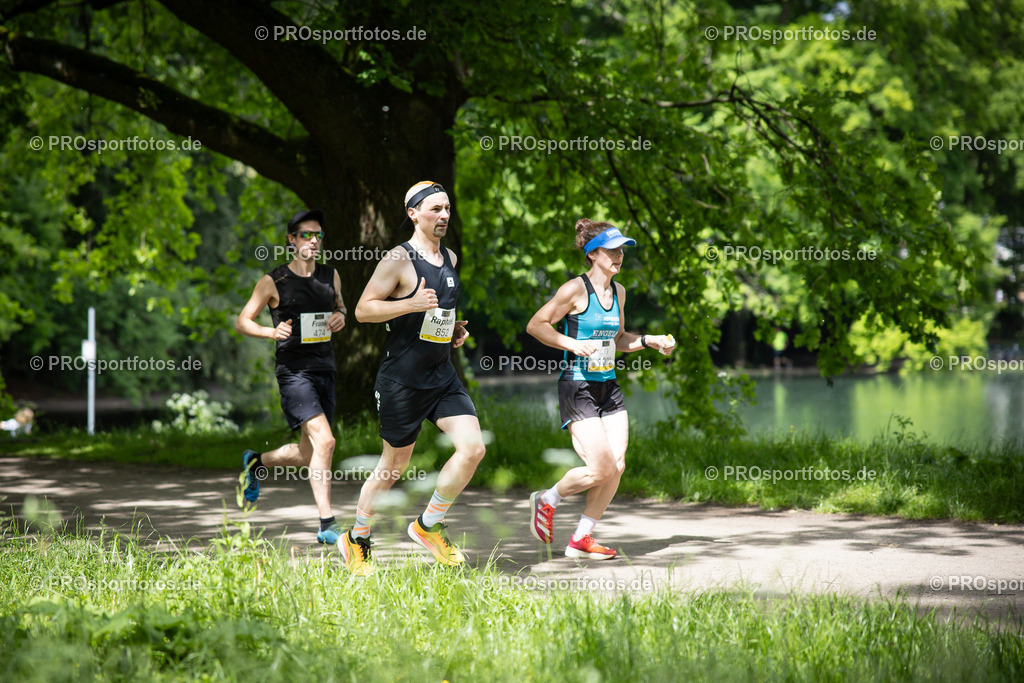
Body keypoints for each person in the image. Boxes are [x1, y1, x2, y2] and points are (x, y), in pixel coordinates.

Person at [341, 181, 485, 575]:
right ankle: (356, 538)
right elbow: (363, 310)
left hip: (442, 377)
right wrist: (409, 304)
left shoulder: (450, 257)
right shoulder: (397, 260)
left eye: (447, 209)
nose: (443, 216)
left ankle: (428, 525)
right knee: (393, 466)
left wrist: (454, 330)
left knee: (472, 448)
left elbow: (439, 314)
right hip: (401, 380)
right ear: (413, 213)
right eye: (435, 209)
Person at [526, 219, 674, 559]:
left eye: (622, 250)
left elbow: (618, 339)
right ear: (593, 254)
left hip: (608, 386)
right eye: (612, 250)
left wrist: (649, 341)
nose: (619, 256)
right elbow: (536, 325)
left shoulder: (619, 292)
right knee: (601, 469)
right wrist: (571, 344)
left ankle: (581, 538)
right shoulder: (573, 290)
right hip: (577, 385)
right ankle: (547, 500)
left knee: (617, 466)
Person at [235, 209, 347, 544]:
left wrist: (340, 316)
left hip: (325, 368)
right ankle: (327, 524)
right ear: (291, 240)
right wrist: (271, 334)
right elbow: (243, 321)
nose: (313, 241)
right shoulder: (275, 281)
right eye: (306, 235)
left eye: (318, 236)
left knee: (308, 454)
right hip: (294, 373)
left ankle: (256, 463)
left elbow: (340, 306)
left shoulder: (330, 276)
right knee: (326, 441)